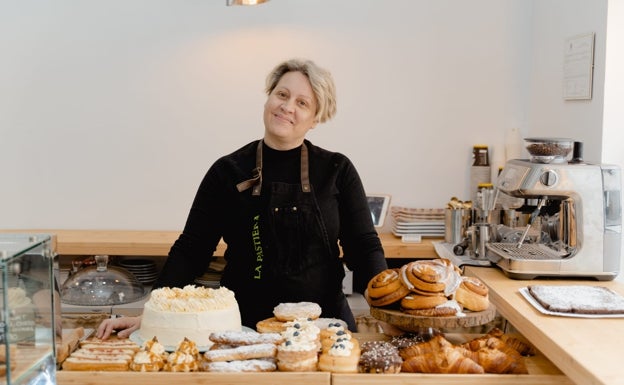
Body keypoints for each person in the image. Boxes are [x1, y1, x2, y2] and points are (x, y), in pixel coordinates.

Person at [96, 58, 387, 339]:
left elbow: (363, 246)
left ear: (316, 118)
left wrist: (388, 311)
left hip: (325, 327)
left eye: (302, 103)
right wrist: (151, 312)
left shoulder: (337, 170)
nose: (287, 107)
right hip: (245, 326)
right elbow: (192, 249)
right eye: (281, 94)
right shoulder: (228, 170)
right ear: (268, 99)